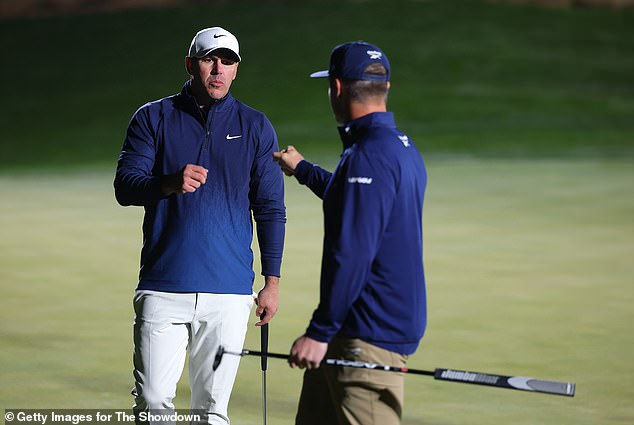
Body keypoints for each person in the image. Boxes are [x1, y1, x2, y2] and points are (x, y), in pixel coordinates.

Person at [114, 27, 286, 425]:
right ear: (191, 64)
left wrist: (272, 282)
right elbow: (125, 186)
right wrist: (169, 183)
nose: (218, 69)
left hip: (228, 292)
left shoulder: (256, 126)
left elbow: (270, 208)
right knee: (153, 404)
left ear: (236, 70)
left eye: (228, 61)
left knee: (210, 411)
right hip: (163, 285)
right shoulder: (153, 117)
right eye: (210, 59)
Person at [273, 41, 427, 425]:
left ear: (337, 88)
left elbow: (353, 253)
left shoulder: (367, 157)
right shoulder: (400, 148)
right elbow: (356, 201)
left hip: (366, 338)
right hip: (354, 331)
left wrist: (319, 332)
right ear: (385, 87)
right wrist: (304, 169)